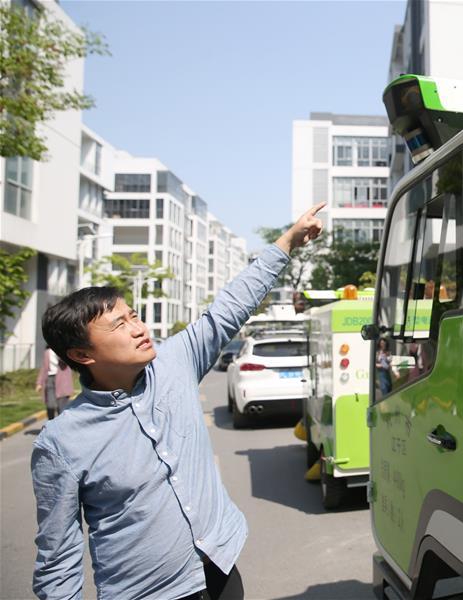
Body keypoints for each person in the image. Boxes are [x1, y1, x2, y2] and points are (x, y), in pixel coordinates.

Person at [30, 203, 325, 600]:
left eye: (134, 316)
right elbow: (57, 559)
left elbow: (227, 309)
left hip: (220, 571)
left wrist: (288, 242)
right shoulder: (61, 442)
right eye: (120, 325)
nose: (139, 328)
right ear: (82, 355)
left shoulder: (175, 361)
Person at [35, 348, 74, 420]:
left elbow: (65, 362)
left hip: (63, 380)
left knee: (61, 406)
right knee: (50, 405)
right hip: (50, 379)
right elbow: (44, 368)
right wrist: (39, 383)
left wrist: (59, 351)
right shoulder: (47, 352)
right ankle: (50, 424)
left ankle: (61, 426)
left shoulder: (64, 351)